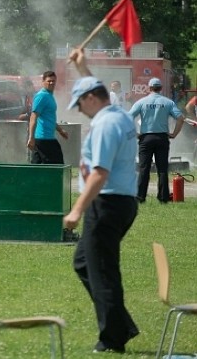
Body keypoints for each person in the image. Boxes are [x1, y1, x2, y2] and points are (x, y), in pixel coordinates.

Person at [63, 47, 139, 354]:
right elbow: (97, 89)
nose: (79, 110)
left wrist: (76, 210)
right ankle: (122, 324)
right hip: (120, 202)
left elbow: (100, 173)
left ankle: (112, 339)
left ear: (91, 99)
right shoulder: (117, 112)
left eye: (80, 104)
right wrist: (83, 68)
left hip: (106, 204)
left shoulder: (107, 124)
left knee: (103, 270)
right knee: (84, 262)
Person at [128, 77, 184, 203]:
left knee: (144, 168)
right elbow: (181, 118)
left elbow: (127, 118)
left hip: (146, 138)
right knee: (162, 169)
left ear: (149, 88)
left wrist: (135, 133)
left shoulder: (141, 102)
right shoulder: (168, 102)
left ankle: (140, 197)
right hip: (162, 138)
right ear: (161, 88)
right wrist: (174, 133)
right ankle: (163, 197)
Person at [27, 71, 69, 164]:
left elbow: (49, 118)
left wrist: (60, 130)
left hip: (48, 138)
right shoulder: (41, 96)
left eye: (53, 81)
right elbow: (33, 117)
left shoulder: (49, 96)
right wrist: (31, 137)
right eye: (49, 81)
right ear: (43, 81)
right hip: (43, 139)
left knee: (37, 168)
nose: (51, 83)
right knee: (56, 167)